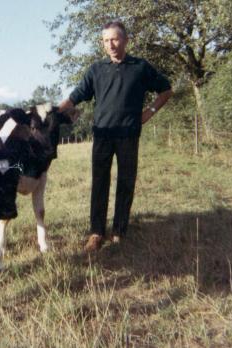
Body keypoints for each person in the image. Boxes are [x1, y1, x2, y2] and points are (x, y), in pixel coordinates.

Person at [58, 21, 173, 252]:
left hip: (129, 134)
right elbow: (76, 96)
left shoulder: (140, 67)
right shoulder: (96, 70)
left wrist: (148, 113)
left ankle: (119, 231)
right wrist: (53, 114)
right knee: (99, 183)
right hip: (102, 134)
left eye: (114, 39)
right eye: (105, 41)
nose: (110, 45)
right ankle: (96, 233)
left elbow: (166, 89)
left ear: (125, 40)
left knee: (126, 182)